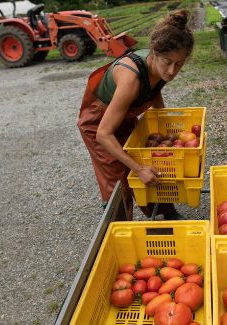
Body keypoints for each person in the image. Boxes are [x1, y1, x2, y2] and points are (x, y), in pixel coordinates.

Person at [77, 9, 195, 220]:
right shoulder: (130, 79)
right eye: (168, 62)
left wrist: (168, 133)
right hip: (98, 125)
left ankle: (166, 211)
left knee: (154, 161)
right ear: (154, 53)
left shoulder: (160, 71)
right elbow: (104, 134)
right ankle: (121, 232)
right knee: (119, 178)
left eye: (179, 64)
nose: (172, 71)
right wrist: (138, 168)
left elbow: (154, 93)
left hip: (125, 117)